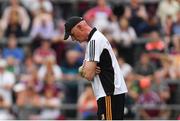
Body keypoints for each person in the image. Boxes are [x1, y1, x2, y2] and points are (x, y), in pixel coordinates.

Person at [64, 16, 128, 120]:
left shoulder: (94, 41)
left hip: (109, 93)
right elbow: (85, 70)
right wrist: (85, 69)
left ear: (80, 27)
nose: (73, 38)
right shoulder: (93, 40)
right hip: (110, 93)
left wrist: (86, 69)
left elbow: (88, 75)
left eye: (72, 34)